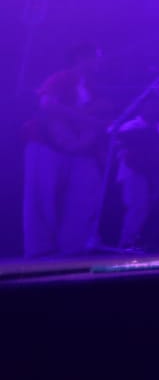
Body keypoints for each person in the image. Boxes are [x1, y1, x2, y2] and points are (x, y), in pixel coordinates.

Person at [21, 44, 108, 258]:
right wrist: (83, 119)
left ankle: (73, 246)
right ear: (81, 57)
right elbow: (47, 104)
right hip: (45, 141)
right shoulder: (61, 78)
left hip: (76, 148)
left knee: (84, 193)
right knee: (42, 194)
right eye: (97, 57)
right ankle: (40, 249)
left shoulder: (93, 88)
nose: (101, 62)